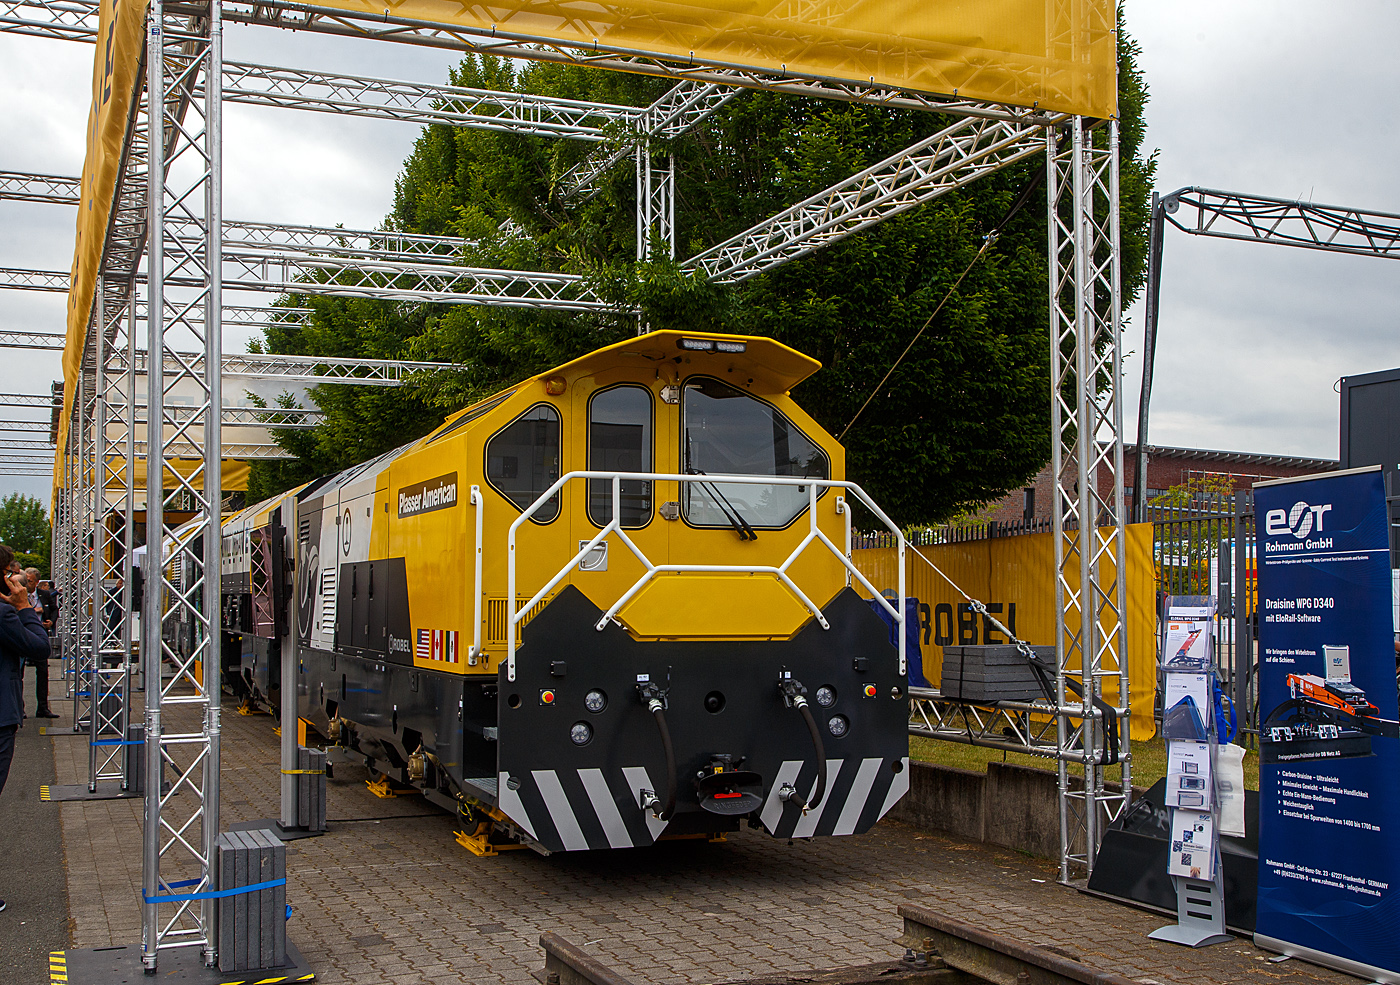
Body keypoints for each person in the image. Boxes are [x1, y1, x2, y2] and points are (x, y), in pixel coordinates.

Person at [0, 544, 52, 915]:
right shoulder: (5, 613)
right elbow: (39, 647)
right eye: (12, 571)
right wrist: (24, 609)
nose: (19, 578)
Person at [24, 568, 57, 718]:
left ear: (37, 582)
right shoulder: (20, 594)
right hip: (23, 634)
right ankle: (20, 708)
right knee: (18, 672)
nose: (26, 584)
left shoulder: (44, 594)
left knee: (43, 671)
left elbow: (55, 609)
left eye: (29, 581)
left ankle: (42, 707)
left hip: (39, 634)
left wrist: (51, 621)